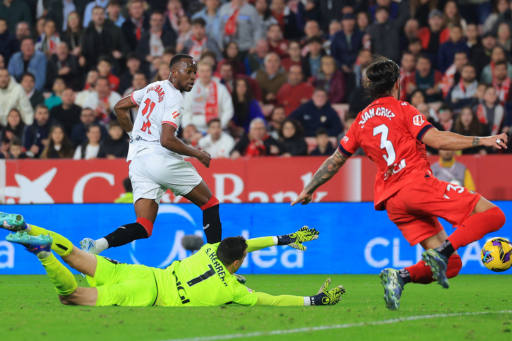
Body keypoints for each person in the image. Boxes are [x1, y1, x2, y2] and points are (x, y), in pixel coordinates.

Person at [292, 58, 508, 311]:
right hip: (416, 185)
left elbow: (336, 159)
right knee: (495, 215)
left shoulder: (360, 121)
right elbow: (437, 139)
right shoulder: (403, 109)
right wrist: (483, 140)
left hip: (393, 202)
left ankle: (401, 276)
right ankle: (444, 249)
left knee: (451, 266)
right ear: (397, 83)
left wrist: (310, 188)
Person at [1, 214, 344, 307]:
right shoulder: (235, 292)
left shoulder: (209, 249)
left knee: (77, 255)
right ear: (237, 266)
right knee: (70, 296)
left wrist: (286, 238)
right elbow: (273, 299)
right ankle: (42, 250)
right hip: (144, 295)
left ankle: (26, 226)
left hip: (144, 273)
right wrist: (312, 300)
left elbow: (247, 244)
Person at [80, 55, 226, 262]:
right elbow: (166, 140)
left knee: (144, 225)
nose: (194, 77)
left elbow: (120, 107)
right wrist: (198, 153)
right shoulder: (176, 98)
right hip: (160, 158)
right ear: (174, 73)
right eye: (189, 72)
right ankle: (217, 266)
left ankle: (98, 245)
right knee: (210, 204)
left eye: (195, 73)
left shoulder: (153, 87)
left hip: (137, 162)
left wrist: (134, 136)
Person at [182, 61, 234, 133]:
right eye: (202, 71)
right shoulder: (190, 89)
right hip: (195, 129)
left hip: (218, 129)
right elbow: (185, 110)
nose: (205, 74)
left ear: (211, 72)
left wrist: (219, 127)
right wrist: (187, 125)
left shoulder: (221, 88)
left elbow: (228, 110)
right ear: (197, 73)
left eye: (207, 71)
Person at [81, 6, 129, 71]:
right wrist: (82, 57)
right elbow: (84, 50)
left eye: (101, 14)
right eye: (96, 14)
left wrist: (121, 54)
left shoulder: (115, 30)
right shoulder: (87, 32)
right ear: (92, 16)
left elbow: (125, 47)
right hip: (93, 67)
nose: (99, 17)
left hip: (113, 66)